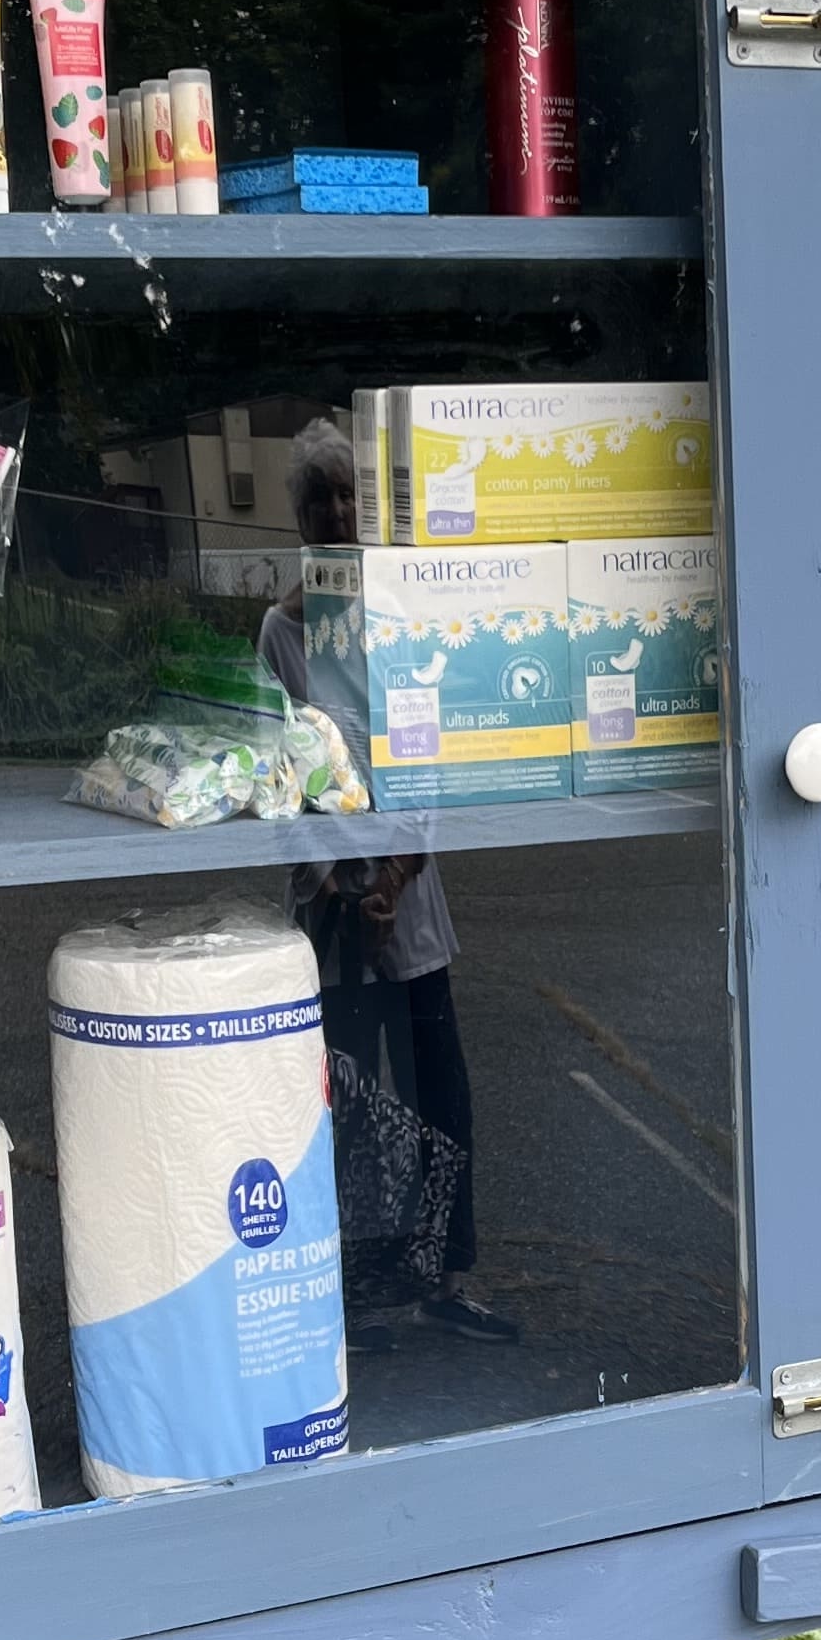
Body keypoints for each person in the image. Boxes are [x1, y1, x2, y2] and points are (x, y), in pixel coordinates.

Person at [259, 429, 516, 1345]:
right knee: (348, 1102)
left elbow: (433, 759)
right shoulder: (282, 634)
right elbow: (284, 778)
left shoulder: (407, 620)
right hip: (328, 914)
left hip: (413, 908)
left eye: (347, 499)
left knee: (442, 1095)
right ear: (296, 520)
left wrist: (395, 881)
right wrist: (339, 887)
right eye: (316, 501)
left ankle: (450, 1275)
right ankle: (359, 1293)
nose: (333, 515)